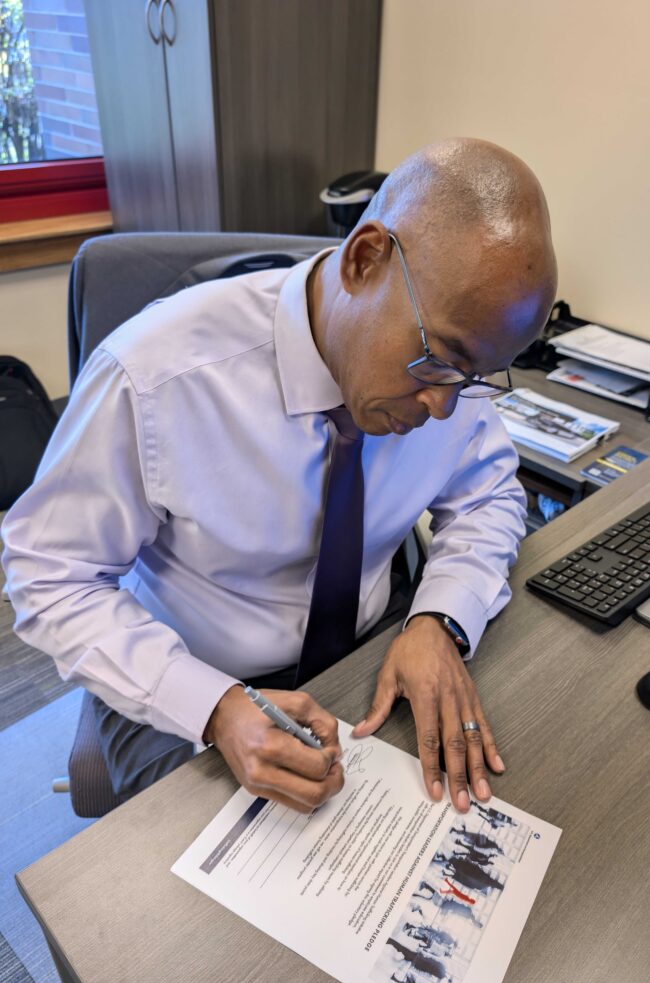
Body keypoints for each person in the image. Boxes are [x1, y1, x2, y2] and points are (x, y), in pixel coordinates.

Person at [1, 137, 557, 816]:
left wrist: (439, 619)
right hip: (188, 670)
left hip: (369, 647)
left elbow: (490, 493)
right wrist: (210, 706)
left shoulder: (451, 380)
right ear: (363, 260)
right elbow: (47, 575)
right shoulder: (154, 377)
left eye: (475, 377)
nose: (444, 403)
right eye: (440, 359)